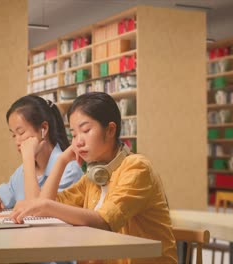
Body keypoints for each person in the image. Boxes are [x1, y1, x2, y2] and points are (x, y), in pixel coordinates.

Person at [10, 92, 177, 264]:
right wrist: (61, 161)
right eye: (74, 134)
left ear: (110, 130)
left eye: (86, 130)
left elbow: (104, 221)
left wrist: (45, 205)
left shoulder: (137, 167)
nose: (78, 142)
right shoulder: (93, 177)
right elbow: (43, 209)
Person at [0, 95, 83, 212]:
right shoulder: (21, 171)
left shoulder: (69, 169)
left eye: (21, 133)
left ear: (43, 129)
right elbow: (1, 195)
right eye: (13, 135)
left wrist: (28, 157)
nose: (17, 141)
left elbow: (37, 212)